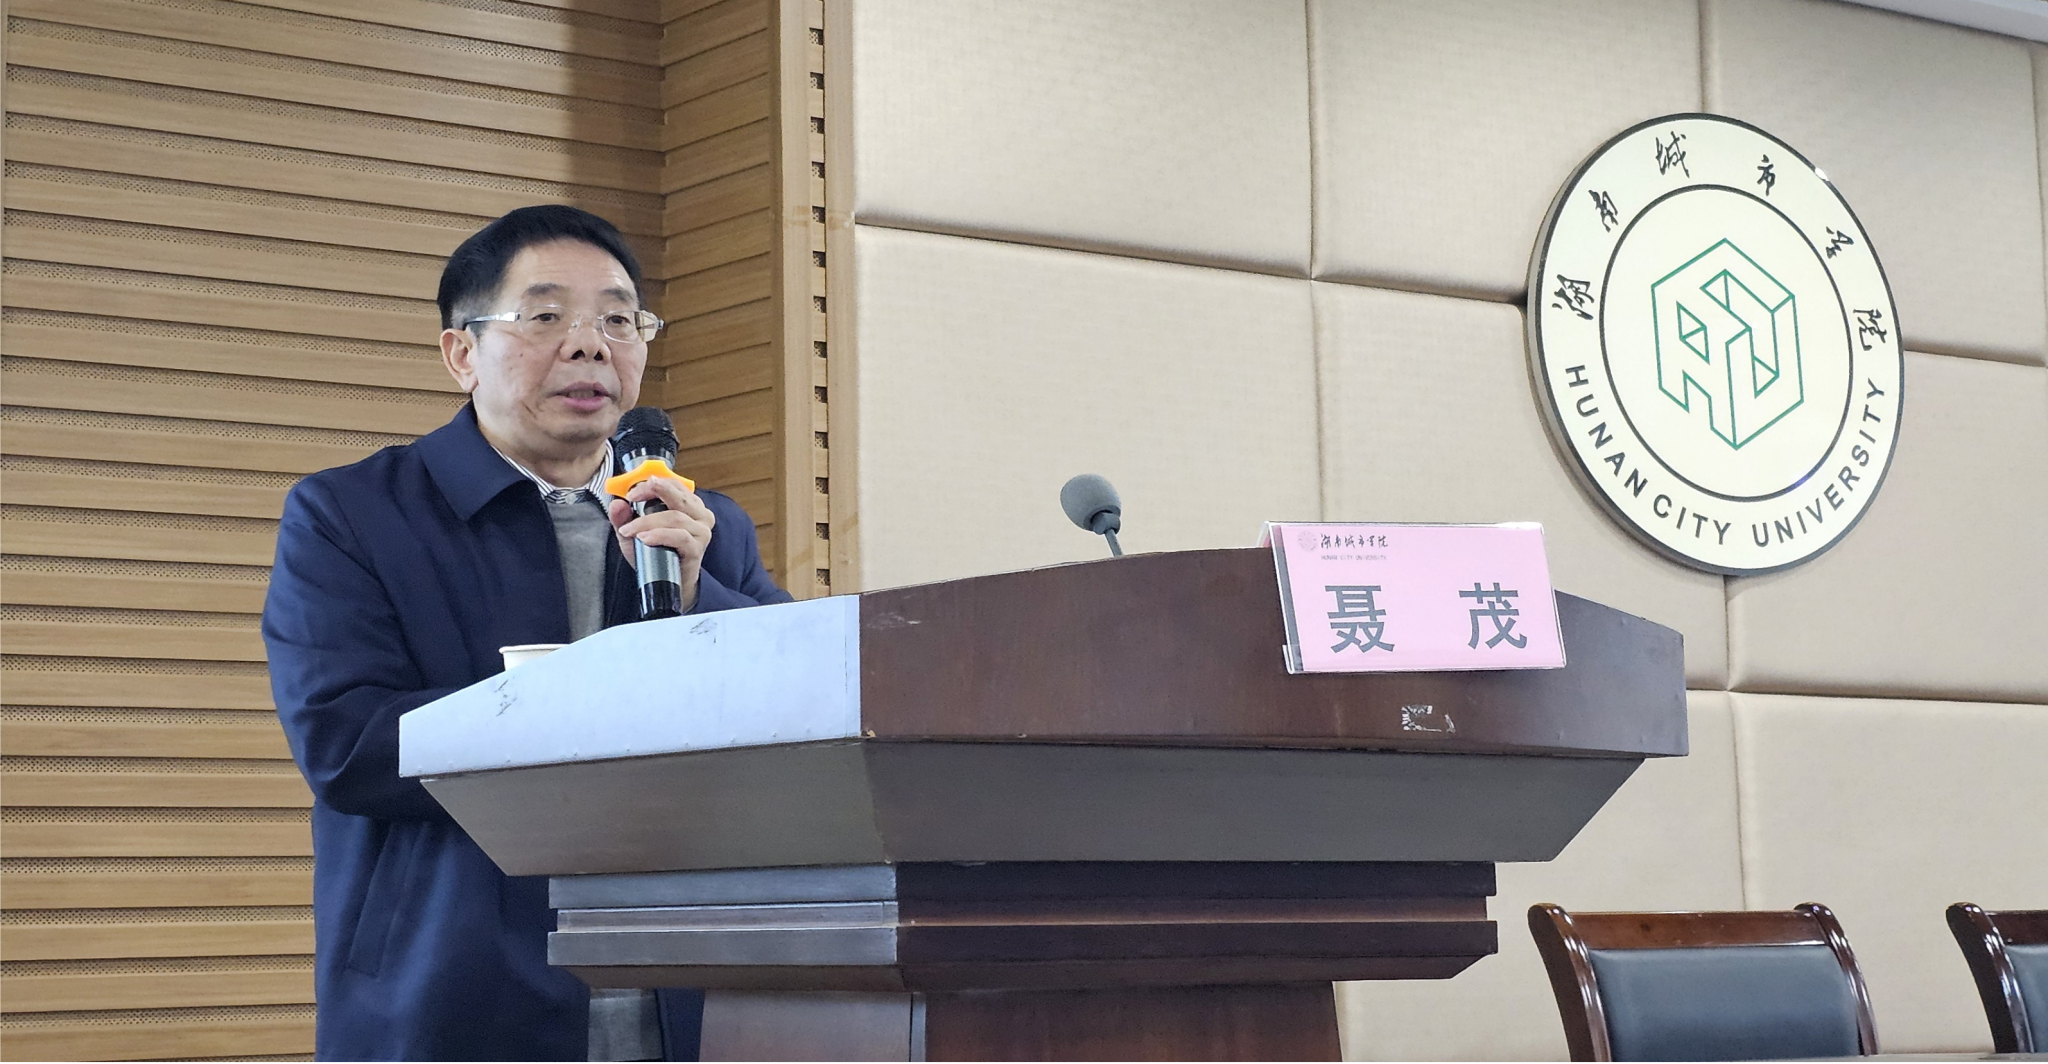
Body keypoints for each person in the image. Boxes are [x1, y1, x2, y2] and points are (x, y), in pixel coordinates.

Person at [262, 205, 791, 1062]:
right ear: (461, 353)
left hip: (690, 1001)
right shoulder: (353, 515)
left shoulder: (699, 528)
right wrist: (571, 704)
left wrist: (705, 599)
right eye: (546, 316)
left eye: (618, 320)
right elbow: (345, 745)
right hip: (451, 1002)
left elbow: (800, 717)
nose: (590, 346)